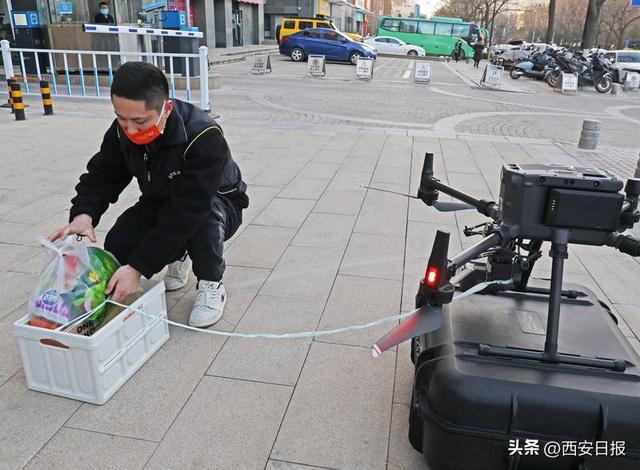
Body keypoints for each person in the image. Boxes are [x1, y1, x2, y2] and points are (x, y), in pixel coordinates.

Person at [48, 62, 249, 328]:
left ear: (165, 109)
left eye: (139, 122)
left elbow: (189, 209)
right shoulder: (121, 132)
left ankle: (211, 282)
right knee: (120, 242)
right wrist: (84, 214)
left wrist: (139, 267)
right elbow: (103, 174)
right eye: (122, 119)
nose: (130, 130)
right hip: (162, 198)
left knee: (201, 220)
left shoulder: (203, 136)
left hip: (218, 203)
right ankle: (179, 253)